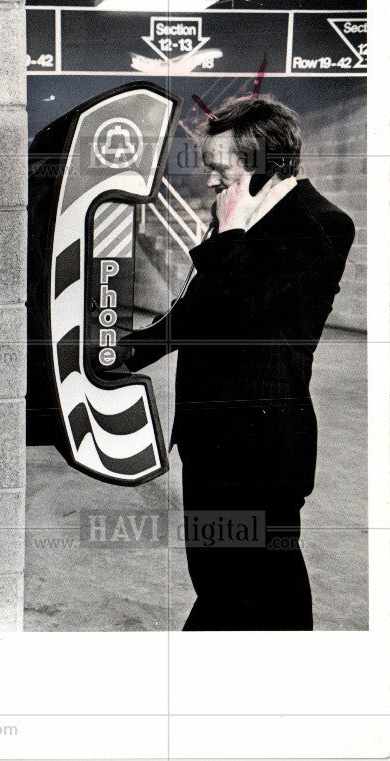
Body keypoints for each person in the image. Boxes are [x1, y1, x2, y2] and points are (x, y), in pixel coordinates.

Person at [125, 96, 355, 630]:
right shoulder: (233, 222)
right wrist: (119, 354)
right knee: (221, 580)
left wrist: (230, 236)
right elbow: (195, 317)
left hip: (260, 446)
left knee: (258, 585)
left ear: (264, 168)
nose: (210, 184)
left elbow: (241, 313)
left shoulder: (319, 225)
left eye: (220, 172)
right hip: (212, 439)